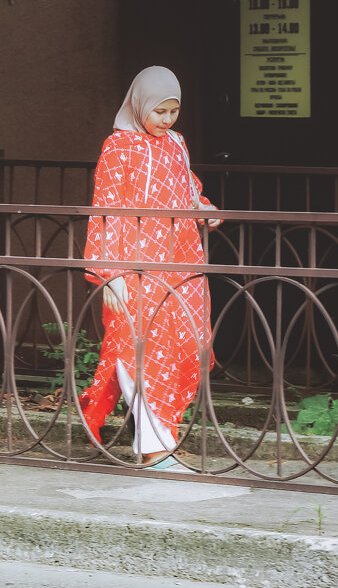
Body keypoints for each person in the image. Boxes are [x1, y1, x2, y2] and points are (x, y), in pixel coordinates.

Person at [79, 65, 219, 471]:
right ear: (140, 104)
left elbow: (188, 190)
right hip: (134, 264)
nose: (167, 120)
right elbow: (104, 208)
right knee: (138, 346)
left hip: (181, 262)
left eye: (173, 111)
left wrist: (206, 211)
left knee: (184, 346)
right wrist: (109, 271)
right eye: (160, 111)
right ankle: (156, 444)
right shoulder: (118, 147)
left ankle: (158, 439)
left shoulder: (177, 143)